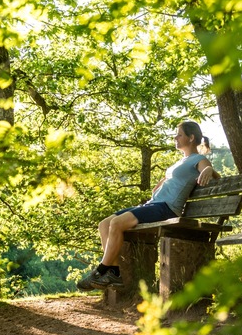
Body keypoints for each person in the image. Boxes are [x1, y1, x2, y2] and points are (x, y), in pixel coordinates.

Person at [77, 120, 220, 291]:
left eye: (179, 134)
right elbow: (172, 179)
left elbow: (209, 170)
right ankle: (114, 272)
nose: (175, 137)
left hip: (166, 208)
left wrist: (208, 170)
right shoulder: (181, 162)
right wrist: (162, 183)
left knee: (116, 224)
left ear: (191, 137)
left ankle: (100, 271)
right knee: (105, 224)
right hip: (154, 204)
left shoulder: (198, 159)